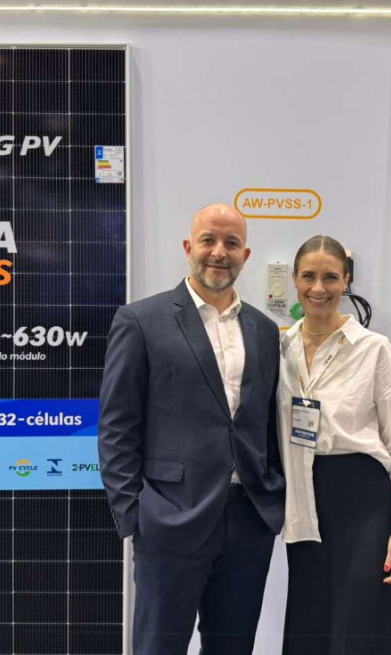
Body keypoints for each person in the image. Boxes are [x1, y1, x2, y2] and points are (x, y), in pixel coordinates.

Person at [98, 203, 285, 655]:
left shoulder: (264, 330)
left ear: (245, 255)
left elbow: (265, 422)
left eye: (231, 243)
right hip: (170, 519)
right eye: (208, 240)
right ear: (188, 247)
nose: (219, 252)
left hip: (248, 522)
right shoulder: (141, 320)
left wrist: (272, 495)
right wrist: (135, 512)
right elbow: (117, 425)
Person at [278, 235, 391, 655]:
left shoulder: (375, 350)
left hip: (363, 500)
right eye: (308, 276)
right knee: (309, 620)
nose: (318, 288)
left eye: (330, 277)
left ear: (346, 281)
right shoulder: (281, 348)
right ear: (294, 279)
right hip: (303, 498)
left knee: (361, 623)